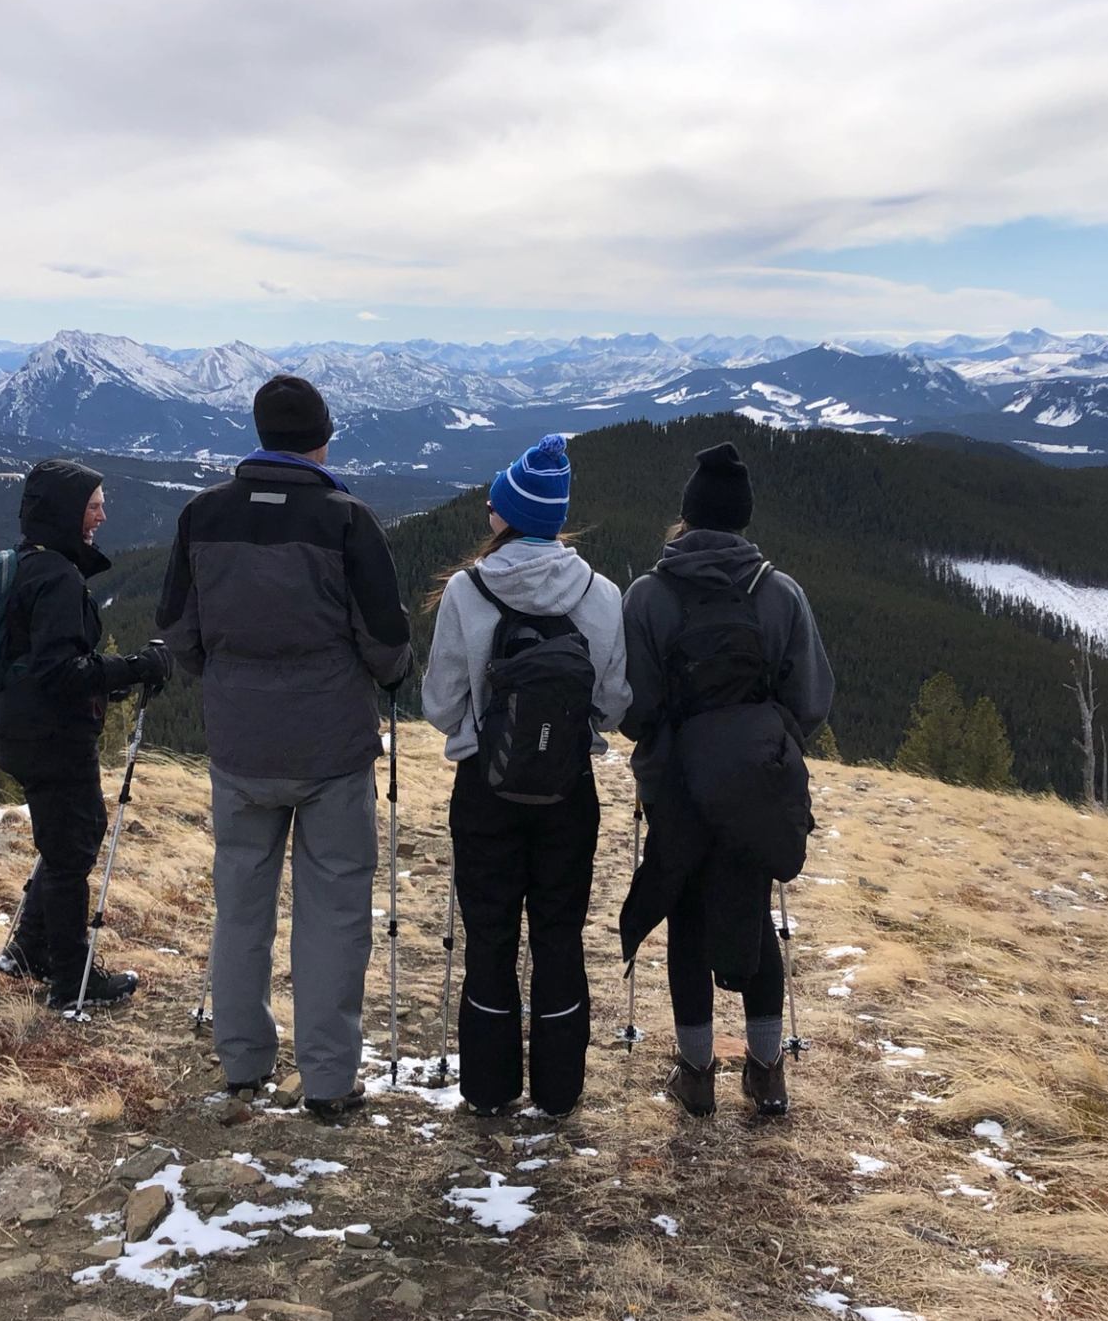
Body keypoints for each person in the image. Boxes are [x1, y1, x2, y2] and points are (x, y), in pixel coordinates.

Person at [156, 375, 412, 1122]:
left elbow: (179, 628)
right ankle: (329, 1081)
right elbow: (386, 639)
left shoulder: (203, 514)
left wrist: (229, 681)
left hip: (239, 743)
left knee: (240, 903)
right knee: (334, 908)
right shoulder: (345, 518)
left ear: (260, 433)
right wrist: (383, 676)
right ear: (322, 437)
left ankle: (243, 1063)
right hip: (331, 744)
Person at [619, 442, 833, 1119]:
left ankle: (698, 1075)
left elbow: (636, 709)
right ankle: (767, 1075)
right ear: (742, 517)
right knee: (752, 912)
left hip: (677, 784)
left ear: (687, 515)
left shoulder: (648, 596)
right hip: (756, 783)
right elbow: (812, 700)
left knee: (687, 917)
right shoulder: (780, 593)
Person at [422, 434, 630, 1119]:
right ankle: (560, 1090)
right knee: (559, 933)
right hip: (569, 790)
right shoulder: (601, 594)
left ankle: (488, 1088)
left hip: (485, 786)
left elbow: (440, 703)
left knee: (489, 934)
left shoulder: (467, 589)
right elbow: (613, 704)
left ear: (508, 515)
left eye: (495, 501)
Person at [0, 458, 175, 1011]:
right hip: (51, 737)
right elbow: (60, 673)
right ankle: (71, 979)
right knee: (71, 851)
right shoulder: (57, 577)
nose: (102, 514)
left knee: (72, 834)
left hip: (22, 728)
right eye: (94, 505)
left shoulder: (30, 564)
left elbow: (47, 665)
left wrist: (109, 675)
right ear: (68, 513)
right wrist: (135, 668)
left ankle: (30, 949)